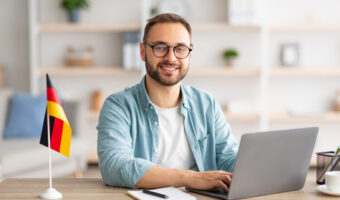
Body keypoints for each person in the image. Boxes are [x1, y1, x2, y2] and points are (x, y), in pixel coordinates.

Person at [97, 13, 239, 192]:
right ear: (143, 51)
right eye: (160, 47)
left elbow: (228, 157)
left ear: (189, 54)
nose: (171, 58)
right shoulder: (118, 106)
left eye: (180, 48)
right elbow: (114, 166)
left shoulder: (206, 103)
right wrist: (189, 178)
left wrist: (259, 162)